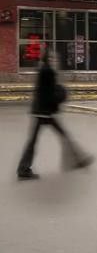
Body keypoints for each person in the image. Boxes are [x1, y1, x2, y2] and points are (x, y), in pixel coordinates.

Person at [16, 49, 92, 180]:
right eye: (51, 58)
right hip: (45, 112)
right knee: (60, 136)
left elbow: (43, 92)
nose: (54, 60)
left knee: (51, 138)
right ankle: (78, 160)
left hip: (42, 111)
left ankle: (78, 160)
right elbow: (48, 94)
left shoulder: (44, 70)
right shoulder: (48, 72)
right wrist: (61, 94)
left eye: (55, 58)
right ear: (46, 59)